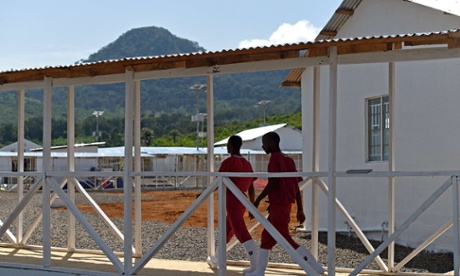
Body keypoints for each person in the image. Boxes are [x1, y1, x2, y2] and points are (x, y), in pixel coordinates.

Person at [247, 132, 324, 276]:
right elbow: (295, 185)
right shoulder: (289, 160)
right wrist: (300, 208)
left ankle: (314, 267)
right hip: (284, 204)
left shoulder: (274, 159)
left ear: (272, 143)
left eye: (264, 143)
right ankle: (259, 271)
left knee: (284, 238)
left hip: (280, 205)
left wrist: (258, 199)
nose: (262, 146)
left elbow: (274, 182)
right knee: (267, 237)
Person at [206, 135, 258, 274]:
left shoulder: (229, 162)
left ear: (231, 145)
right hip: (243, 200)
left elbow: (217, 182)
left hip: (232, 201)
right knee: (227, 230)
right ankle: (216, 260)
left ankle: (256, 265)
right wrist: (252, 205)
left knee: (241, 231)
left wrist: (205, 193)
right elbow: (251, 186)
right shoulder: (247, 163)